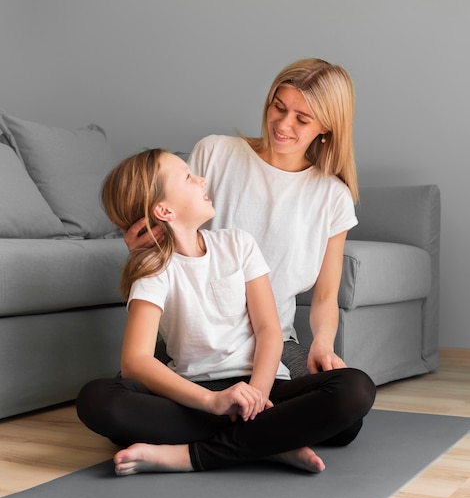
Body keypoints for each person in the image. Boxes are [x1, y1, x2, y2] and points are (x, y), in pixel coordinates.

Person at [76, 148, 375, 475]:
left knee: (355, 392)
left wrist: (258, 399)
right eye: (189, 177)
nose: (202, 179)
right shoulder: (154, 268)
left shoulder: (238, 243)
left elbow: (269, 331)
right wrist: (212, 402)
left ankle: (190, 456)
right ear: (164, 209)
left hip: (264, 385)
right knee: (98, 400)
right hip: (198, 395)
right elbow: (135, 362)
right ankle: (269, 444)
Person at [124, 58, 359, 379]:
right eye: (278, 107)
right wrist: (141, 250)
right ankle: (233, 416)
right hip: (194, 338)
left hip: (274, 341)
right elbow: (172, 239)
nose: (283, 124)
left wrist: (323, 344)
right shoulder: (214, 152)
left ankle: (214, 417)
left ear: (326, 127)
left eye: (302, 119)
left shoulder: (333, 197)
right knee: (117, 399)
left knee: (346, 395)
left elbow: (325, 296)